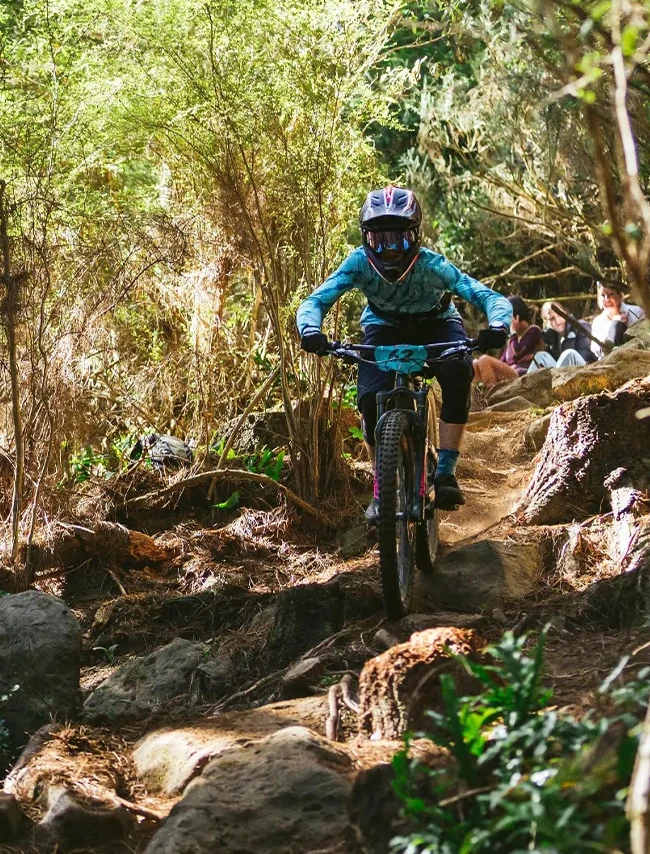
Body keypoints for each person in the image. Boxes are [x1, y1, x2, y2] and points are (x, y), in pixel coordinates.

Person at [296, 185, 512, 518]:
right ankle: (382, 489)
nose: (391, 250)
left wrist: (497, 325)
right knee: (369, 400)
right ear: (367, 238)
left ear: (416, 235)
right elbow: (315, 301)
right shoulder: (357, 264)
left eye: (400, 239)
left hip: (436, 323)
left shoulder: (433, 266)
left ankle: (445, 471)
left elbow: (488, 296)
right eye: (380, 240)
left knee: (457, 371)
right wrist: (310, 330)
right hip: (384, 327)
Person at [472, 295, 543, 387]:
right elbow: (502, 361)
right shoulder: (511, 340)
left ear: (516, 316)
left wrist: (513, 334)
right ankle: (471, 396)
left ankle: (491, 395)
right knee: (474, 364)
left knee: (484, 359)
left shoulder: (533, 331)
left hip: (523, 375)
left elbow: (518, 351)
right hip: (509, 373)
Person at [528, 304, 597, 372]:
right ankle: (525, 383)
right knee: (541, 356)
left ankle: (556, 380)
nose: (557, 321)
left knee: (569, 354)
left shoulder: (580, 326)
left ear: (565, 312)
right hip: (562, 372)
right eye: (552, 319)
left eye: (559, 314)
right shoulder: (553, 337)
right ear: (546, 322)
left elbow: (585, 356)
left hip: (585, 371)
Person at [590, 282, 645, 359]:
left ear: (619, 296)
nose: (606, 299)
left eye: (611, 295)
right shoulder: (598, 321)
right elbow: (595, 349)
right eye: (603, 296)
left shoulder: (637, 312)